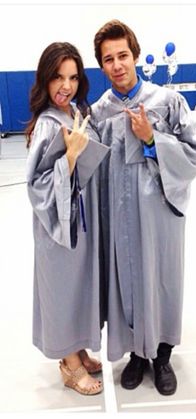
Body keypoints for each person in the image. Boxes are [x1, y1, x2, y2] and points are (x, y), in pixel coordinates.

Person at [92, 20, 196, 395]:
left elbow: (195, 151)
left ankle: (161, 355)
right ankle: (135, 356)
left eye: (123, 55)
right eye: (108, 59)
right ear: (102, 65)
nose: (117, 64)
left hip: (159, 213)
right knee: (126, 280)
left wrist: (151, 139)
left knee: (161, 278)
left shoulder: (166, 101)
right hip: (119, 216)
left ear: (136, 55)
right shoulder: (99, 112)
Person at [25, 42, 109, 396]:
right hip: (56, 225)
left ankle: (79, 348)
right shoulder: (47, 124)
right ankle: (69, 365)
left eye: (73, 77)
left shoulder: (73, 110)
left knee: (78, 286)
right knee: (61, 288)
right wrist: (70, 158)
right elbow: (37, 185)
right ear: (45, 78)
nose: (66, 86)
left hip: (78, 218)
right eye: (58, 77)